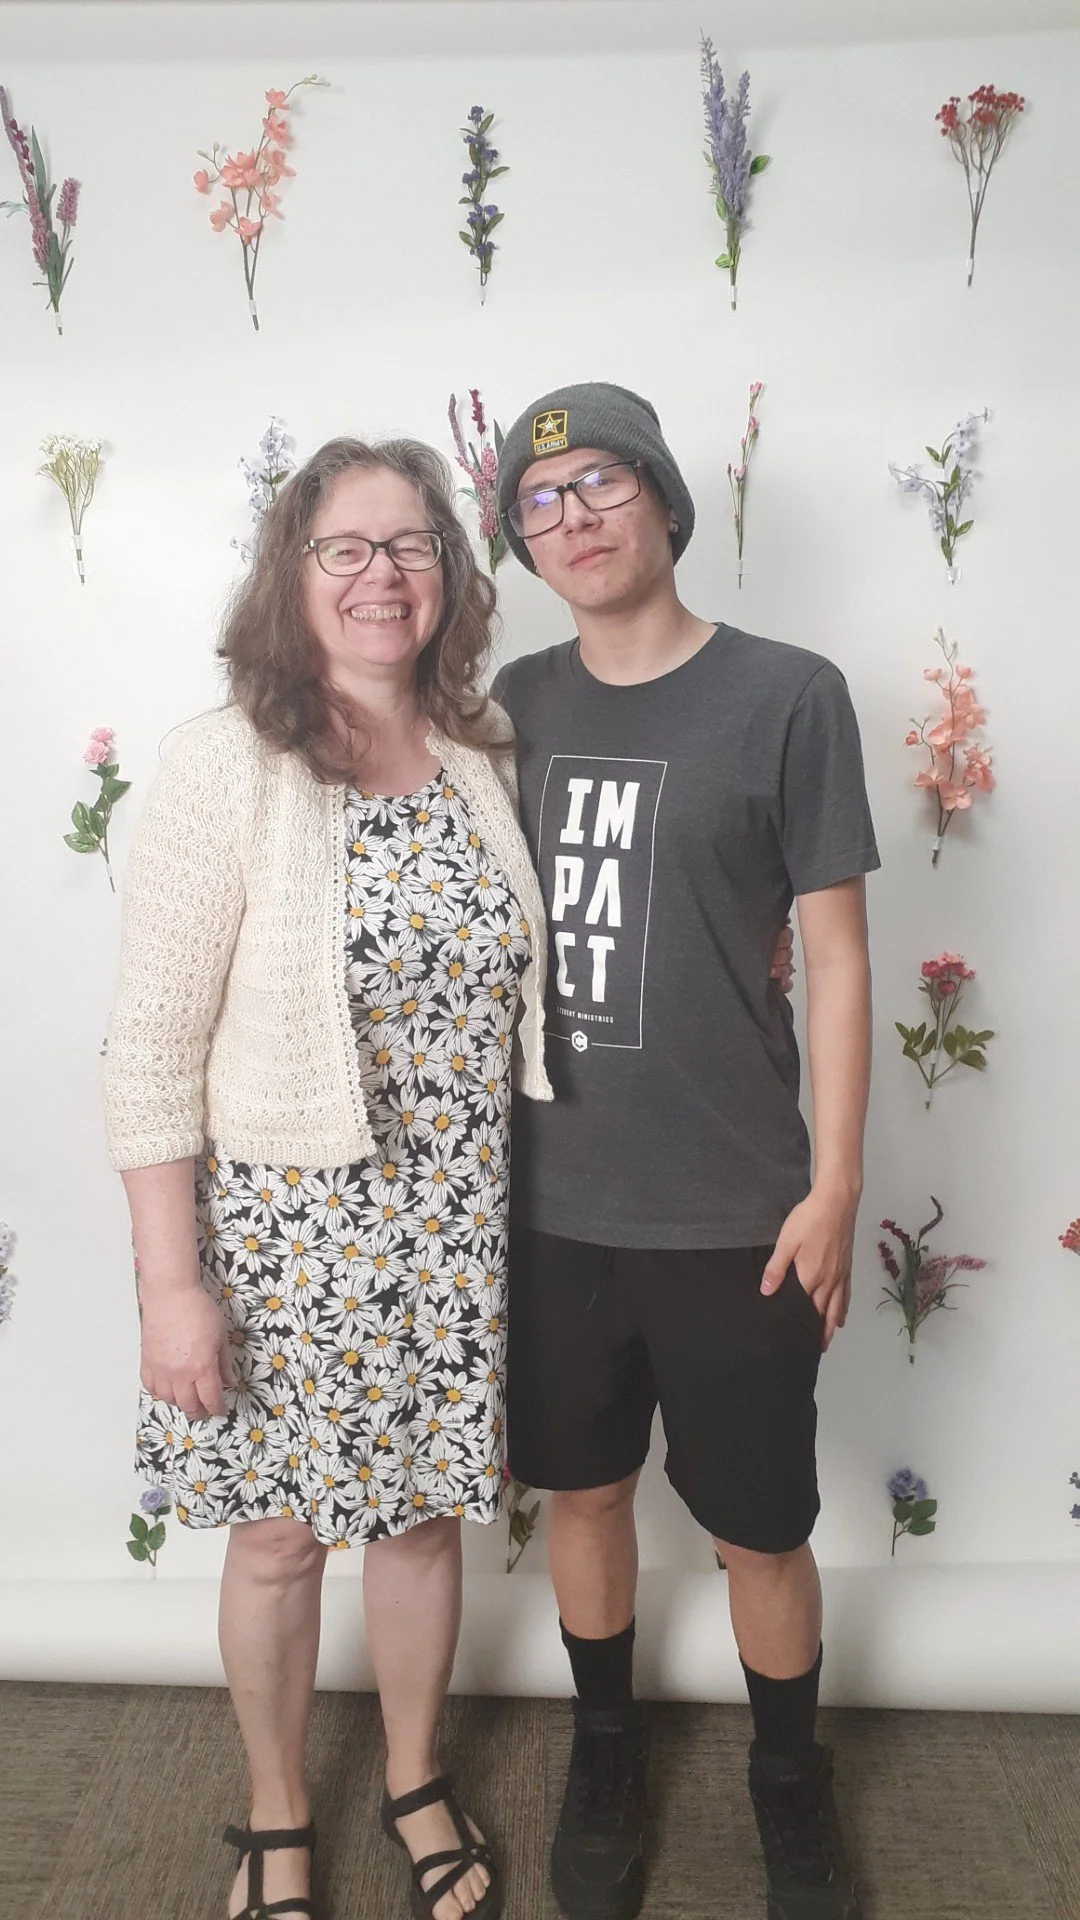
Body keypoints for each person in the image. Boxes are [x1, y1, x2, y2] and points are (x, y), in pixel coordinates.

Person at [104, 436, 554, 1920]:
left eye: (411, 545)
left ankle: (414, 1779)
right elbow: (150, 1052)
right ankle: (276, 1808)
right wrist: (171, 1289)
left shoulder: (484, 749)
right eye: (345, 548)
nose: (381, 575)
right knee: (283, 1535)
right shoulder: (226, 760)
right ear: (290, 576)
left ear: (448, 574)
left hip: (453, 1223)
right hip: (287, 1231)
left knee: (423, 1519)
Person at [492, 383, 879, 1920]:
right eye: (539, 503)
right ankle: (605, 1752)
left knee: (759, 1528)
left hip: (738, 1211)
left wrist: (834, 1186)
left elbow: (836, 958)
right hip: (550, 1209)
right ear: (523, 546)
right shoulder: (510, 704)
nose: (573, 518)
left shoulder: (789, 696)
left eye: (600, 483)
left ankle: (789, 1781)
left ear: (661, 497)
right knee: (583, 1497)